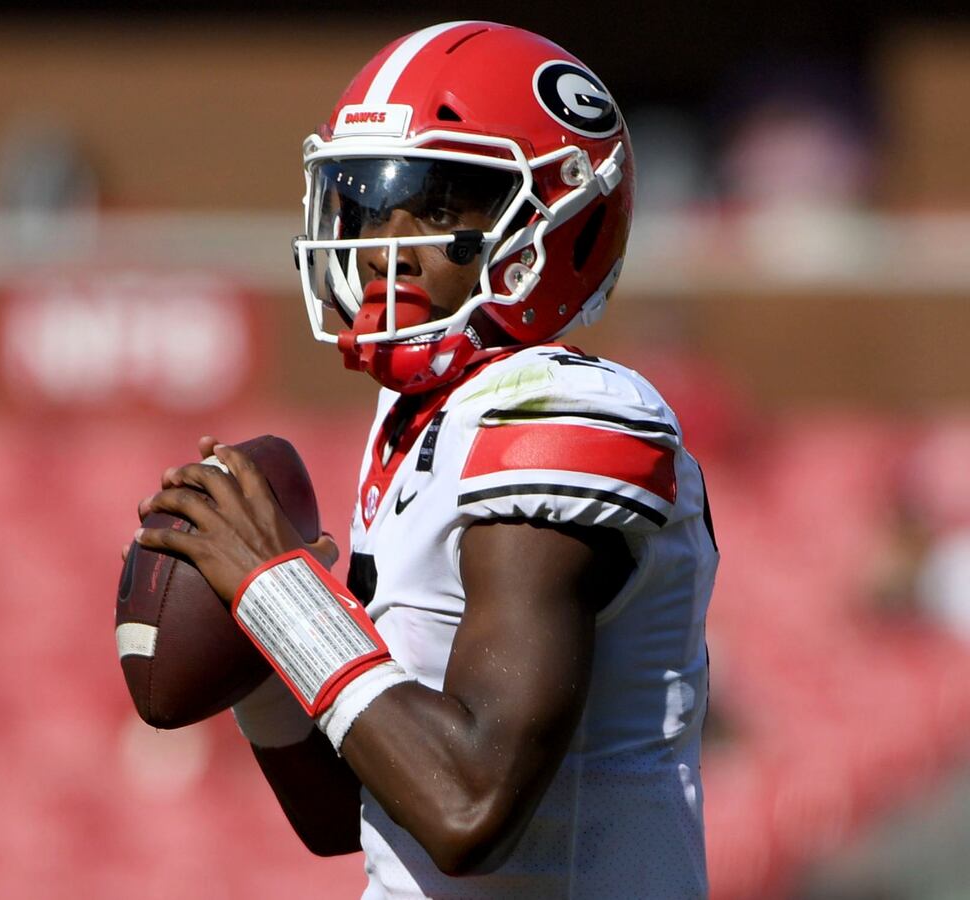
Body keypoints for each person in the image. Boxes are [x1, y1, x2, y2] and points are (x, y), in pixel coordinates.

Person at [135, 22, 716, 898]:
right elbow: (351, 818)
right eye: (368, 207)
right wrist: (256, 649)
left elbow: (467, 807)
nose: (383, 243)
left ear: (558, 218)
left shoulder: (564, 411)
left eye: (440, 207)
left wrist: (279, 590)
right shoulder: (417, 421)